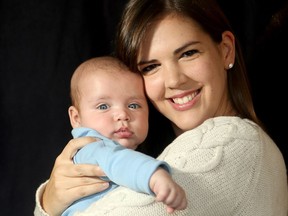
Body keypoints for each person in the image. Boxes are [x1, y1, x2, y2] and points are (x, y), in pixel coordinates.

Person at [34, 0, 288, 215]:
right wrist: (50, 199)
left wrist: (49, 205)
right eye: (150, 67)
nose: (175, 80)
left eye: (188, 53)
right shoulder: (157, 151)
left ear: (226, 51)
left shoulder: (234, 141)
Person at [59, 56, 187, 215]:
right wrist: (153, 176)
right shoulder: (90, 147)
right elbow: (117, 161)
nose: (122, 115)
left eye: (133, 105)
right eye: (103, 106)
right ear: (76, 118)